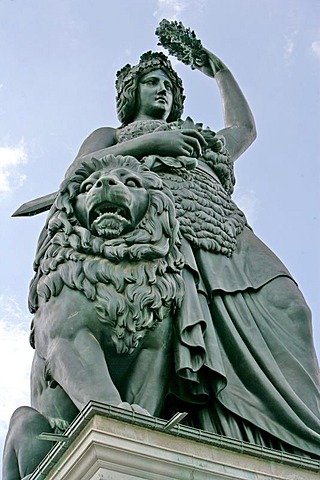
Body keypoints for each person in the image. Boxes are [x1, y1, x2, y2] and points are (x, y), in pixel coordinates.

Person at [61, 46, 320, 459]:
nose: (161, 90)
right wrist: (156, 141)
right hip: (163, 240)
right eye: (151, 82)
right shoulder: (112, 135)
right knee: (171, 330)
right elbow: (80, 170)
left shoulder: (199, 141)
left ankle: (301, 439)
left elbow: (243, 129)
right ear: (132, 91)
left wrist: (219, 70)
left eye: (168, 85)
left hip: (228, 232)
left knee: (291, 307)